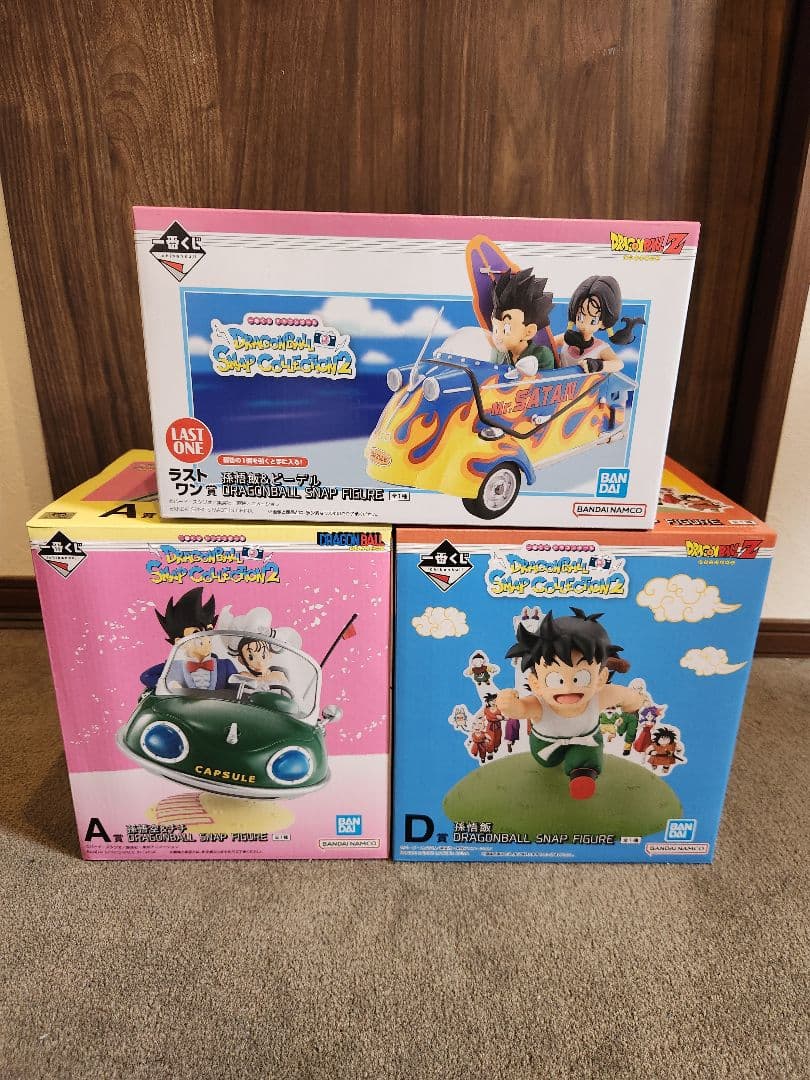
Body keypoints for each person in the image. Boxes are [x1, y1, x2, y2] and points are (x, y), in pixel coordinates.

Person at [495, 608, 646, 800]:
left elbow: (625, 696)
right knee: (547, 763)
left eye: (581, 678)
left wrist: (635, 702)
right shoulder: (540, 703)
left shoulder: (600, 696)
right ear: (536, 683)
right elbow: (522, 709)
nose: (567, 688)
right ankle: (563, 762)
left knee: (586, 757)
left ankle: (582, 775)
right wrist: (508, 705)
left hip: (586, 740)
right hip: (545, 746)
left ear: (600, 679)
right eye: (555, 679)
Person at [555, 276, 644, 373]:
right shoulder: (566, 338)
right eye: (580, 316)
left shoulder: (600, 348)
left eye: (593, 321)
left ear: (603, 324)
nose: (584, 325)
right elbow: (548, 342)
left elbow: (618, 364)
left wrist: (598, 365)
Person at [489, 267, 555, 378]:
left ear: (528, 332)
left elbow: (543, 383)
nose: (498, 337)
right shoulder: (498, 353)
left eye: (506, 330)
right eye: (495, 329)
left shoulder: (541, 355)